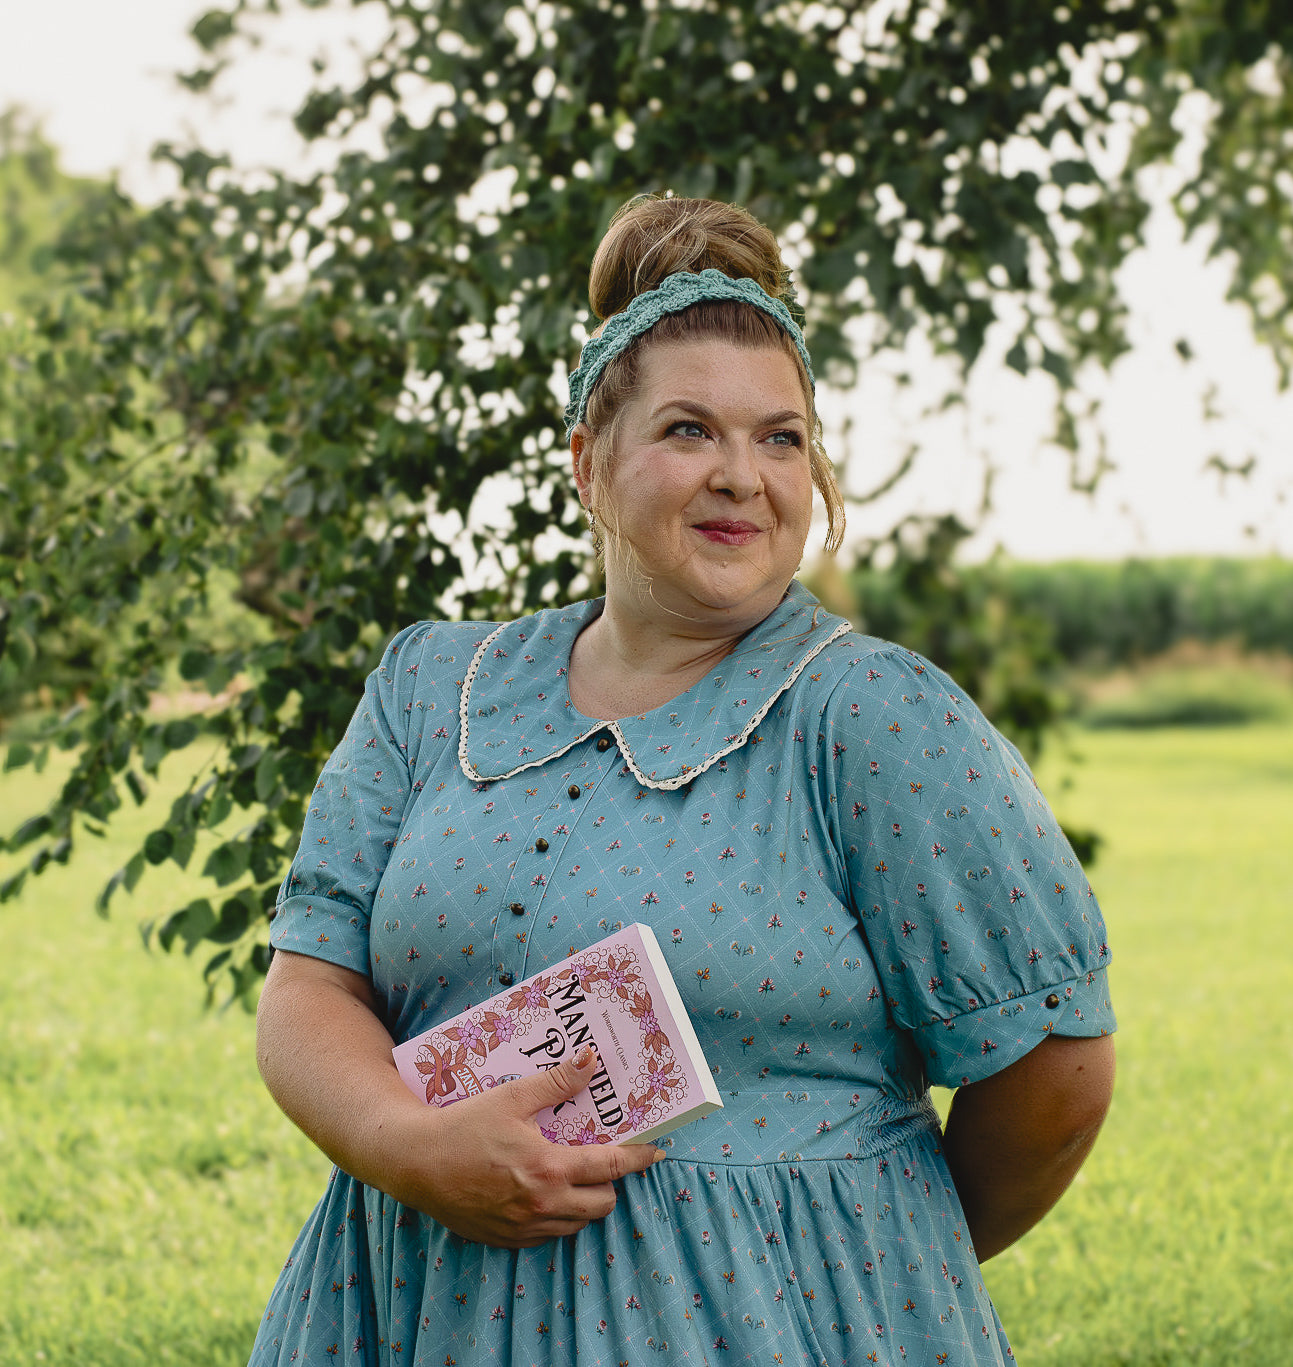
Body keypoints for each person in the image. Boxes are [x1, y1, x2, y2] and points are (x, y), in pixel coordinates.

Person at [248, 194, 1116, 1366]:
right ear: (586, 462)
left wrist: (853, 1249)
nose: (741, 477)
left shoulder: (873, 718)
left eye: (781, 437)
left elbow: (1054, 1075)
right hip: (412, 1308)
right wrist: (408, 1148)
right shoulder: (429, 687)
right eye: (689, 430)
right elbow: (308, 988)